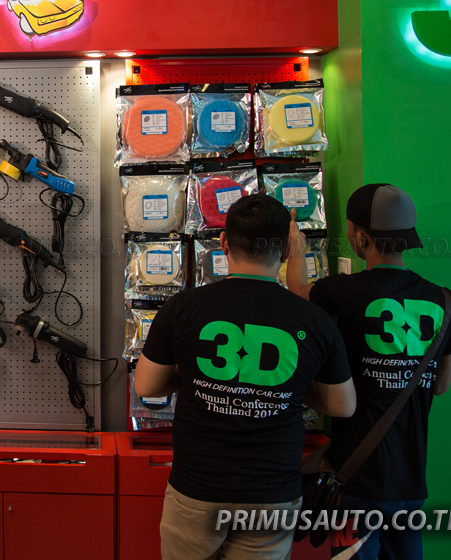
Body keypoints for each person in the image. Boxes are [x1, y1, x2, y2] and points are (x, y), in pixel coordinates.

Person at [135, 194, 356, 560]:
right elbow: (343, 406)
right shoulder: (315, 320)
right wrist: (290, 390)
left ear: (223, 243)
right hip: (272, 495)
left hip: (198, 488)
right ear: (287, 250)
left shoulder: (183, 307)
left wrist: (193, 377)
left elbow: (146, 386)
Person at [285, 184, 451, 560]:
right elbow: (440, 385)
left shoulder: (344, 291)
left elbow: (296, 292)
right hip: (411, 481)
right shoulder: (446, 301)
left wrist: (297, 246)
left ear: (361, 238)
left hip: (358, 477)